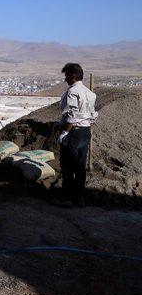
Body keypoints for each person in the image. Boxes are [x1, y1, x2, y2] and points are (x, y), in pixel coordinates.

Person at [52, 63, 97, 208]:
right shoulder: (90, 93)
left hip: (74, 132)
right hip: (85, 132)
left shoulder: (72, 91)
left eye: (66, 76)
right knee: (80, 167)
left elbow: (72, 115)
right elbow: (91, 115)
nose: (65, 79)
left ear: (74, 76)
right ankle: (79, 199)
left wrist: (65, 132)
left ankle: (66, 198)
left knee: (67, 167)